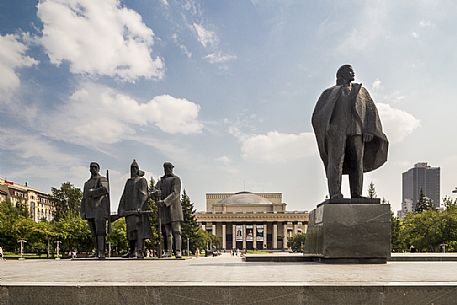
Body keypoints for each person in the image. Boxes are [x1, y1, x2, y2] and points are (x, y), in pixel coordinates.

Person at [311, 65, 388, 199]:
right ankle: (335, 193)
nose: (353, 73)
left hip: (357, 132)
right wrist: (327, 129)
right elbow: (317, 116)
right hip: (336, 133)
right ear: (341, 75)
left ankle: (356, 194)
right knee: (335, 162)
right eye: (349, 71)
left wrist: (369, 129)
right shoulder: (329, 93)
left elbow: (371, 112)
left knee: (357, 163)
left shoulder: (362, 92)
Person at [118, 160, 153, 259]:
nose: (133, 170)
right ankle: (131, 251)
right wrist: (120, 208)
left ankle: (139, 251)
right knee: (130, 231)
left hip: (138, 211)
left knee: (138, 231)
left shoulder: (141, 180)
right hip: (128, 211)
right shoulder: (128, 182)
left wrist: (140, 207)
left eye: (135, 168)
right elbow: (123, 196)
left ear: (138, 169)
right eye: (132, 168)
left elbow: (144, 195)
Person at [153, 162, 183, 258]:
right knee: (166, 232)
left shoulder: (176, 179)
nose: (167, 169)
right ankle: (168, 251)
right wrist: (155, 193)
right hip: (164, 211)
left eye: (169, 168)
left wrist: (165, 201)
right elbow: (154, 191)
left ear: (171, 168)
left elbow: (175, 193)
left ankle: (178, 251)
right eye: (166, 168)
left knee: (176, 231)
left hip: (174, 209)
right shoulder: (160, 181)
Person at [80, 162, 110, 259]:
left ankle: (101, 251)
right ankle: (96, 250)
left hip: (100, 209)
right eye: (91, 167)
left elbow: (105, 189)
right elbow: (83, 198)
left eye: (95, 167)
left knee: (100, 231)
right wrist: (83, 211)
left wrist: (93, 192)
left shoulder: (102, 179)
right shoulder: (87, 183)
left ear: (98, 169)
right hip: (89, 210)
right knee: (93, 232)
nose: (93, 169)